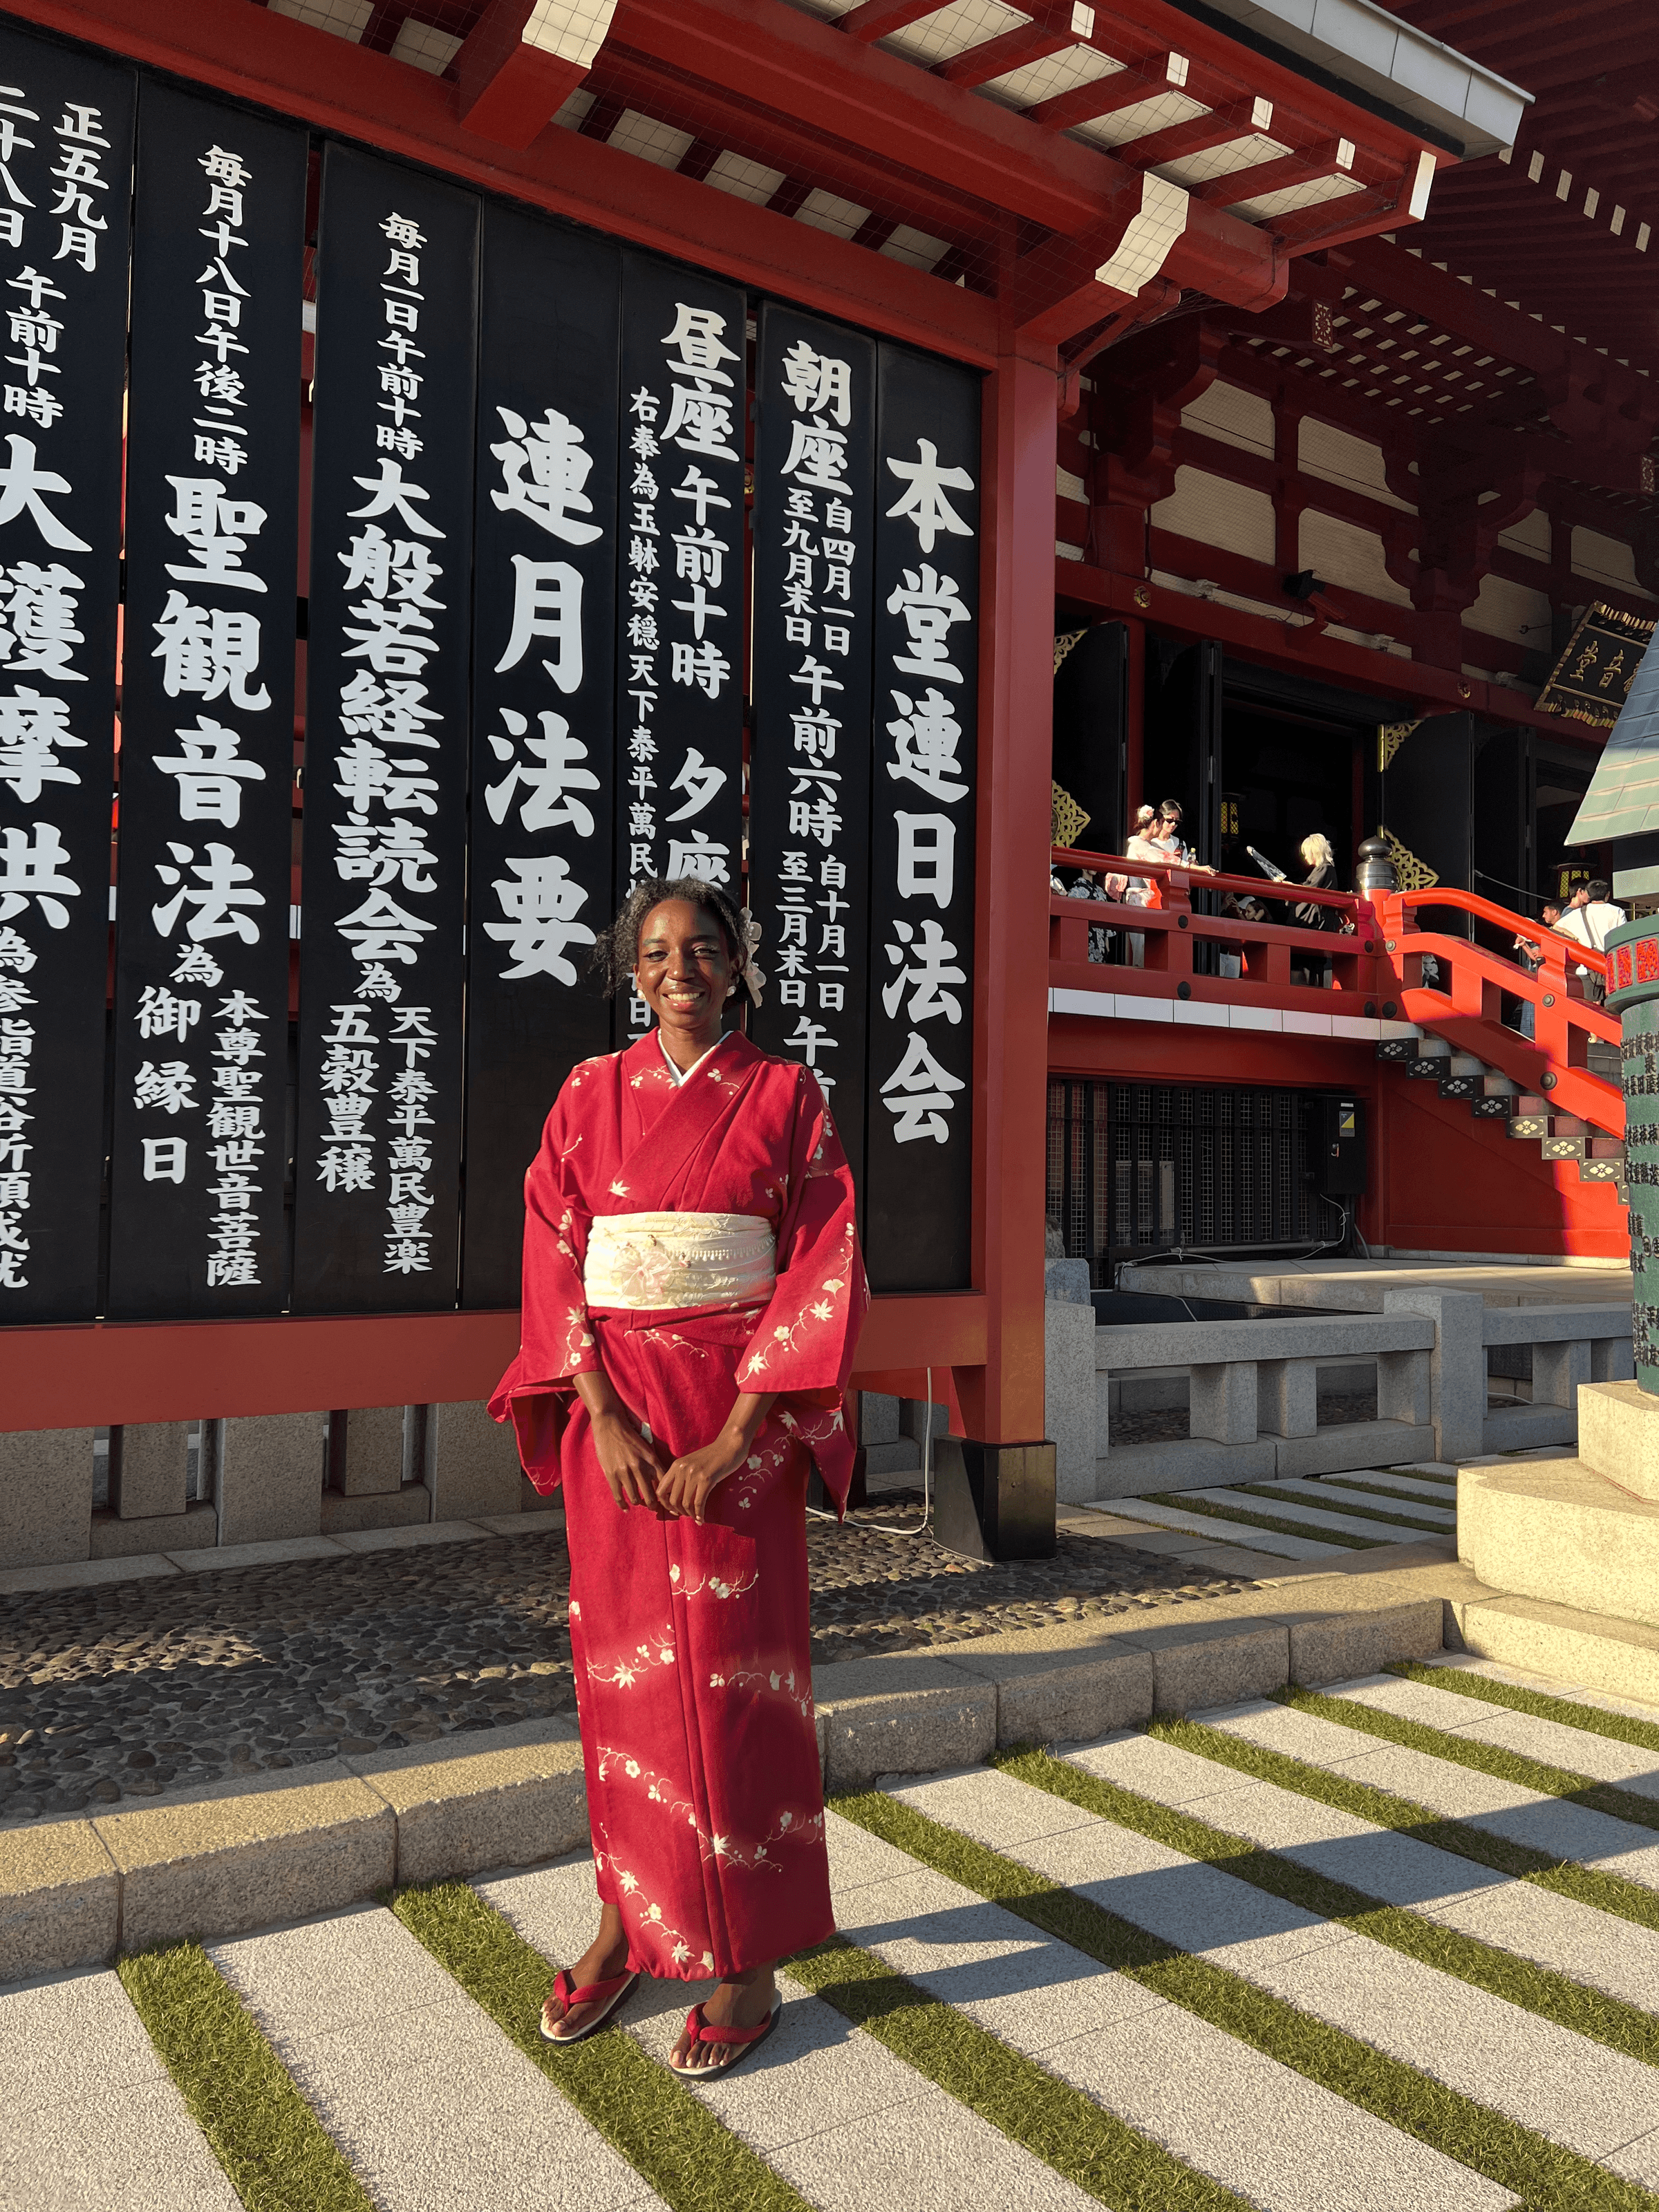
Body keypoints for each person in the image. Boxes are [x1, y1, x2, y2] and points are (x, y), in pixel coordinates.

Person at [489, 877, 867, 2077]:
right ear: (633, 974)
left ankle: (746, 1955)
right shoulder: (586, 1097)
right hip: (618, 1421)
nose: (681, 967)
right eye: (657, 953)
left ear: (738, 966)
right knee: (623, 1683)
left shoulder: (787, 1096)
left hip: (732, 1427)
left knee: (739, 1685)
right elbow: (555, 1251)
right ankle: (622, 1926)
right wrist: (593, 1413)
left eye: (704, 948)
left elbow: (819, 1263)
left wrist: (740, 1433)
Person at [1555, 879, 1625, 1000]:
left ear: (1588, 894)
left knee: (1591, 1011)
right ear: (1607, 895)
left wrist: (1575, 938)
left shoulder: (1578, 914)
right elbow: (1623, 939)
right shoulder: (1618, 912)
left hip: (1586, 969)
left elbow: (1556, 928)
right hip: (1611, 969)